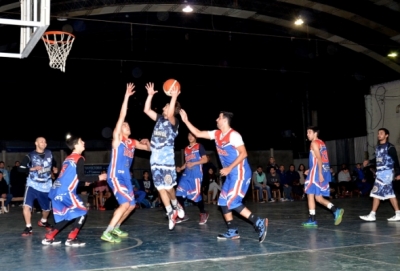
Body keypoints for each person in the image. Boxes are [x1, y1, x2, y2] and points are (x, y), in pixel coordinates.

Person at [179, 109, 268, 243]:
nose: (216, 120)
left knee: (233, 202)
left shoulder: (234, 135)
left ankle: (259, 221)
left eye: (218, 118)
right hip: (231, 174)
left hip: (240, 172)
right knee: (222, 201)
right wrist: (186, 120)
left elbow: (243, 154)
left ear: (225, 120)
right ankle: (232, 231)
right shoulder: (216, 134)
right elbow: (198, 133)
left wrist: (229, 168)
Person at [101, 83, 151, 243]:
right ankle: (107, 232)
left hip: (127, 178)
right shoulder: (117, 139)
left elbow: (149, 150)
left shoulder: (132, 142)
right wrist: (126, 97)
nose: (126, 125)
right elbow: (121, 116)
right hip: (115, 176)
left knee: (131, 205)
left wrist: (148, 143)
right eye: (124, 125)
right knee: (124, 205)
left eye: (128, 125)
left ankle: (116, 227)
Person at [42, 135, 107, 246]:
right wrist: (98, 178)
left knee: (69, 215)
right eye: (82, 141)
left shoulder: (68, 158)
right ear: (76, 145)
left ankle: (49, 236)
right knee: (82, 211)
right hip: (65, 191)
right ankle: (71, 239)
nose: (84, 142)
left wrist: (83, 183)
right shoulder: (79, 158)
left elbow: (71, 177)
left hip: (55, 190)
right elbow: (81, 176)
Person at [143, 82, 185, 230]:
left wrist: (173, 97)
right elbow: (147, 110)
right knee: (160, 188)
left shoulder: (174, 122)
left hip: (167, 162)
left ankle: (175, 204)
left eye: (166, 106)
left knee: (169, 188)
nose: (163, 108)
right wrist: (149, 96)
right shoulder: (160, 119)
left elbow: (172, 112)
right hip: (155, 161)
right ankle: (170, 213)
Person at [302, 126, 344, 227]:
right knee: (319, 198)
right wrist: (311, 169)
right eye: (307, 132)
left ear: (315, 133)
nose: (307, 134)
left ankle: (312, 219)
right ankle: (335, 210)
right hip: (324, 170)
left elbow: (319, 159)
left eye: (309, 132)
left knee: (309, 193)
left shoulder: (313, 143)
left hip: (318, 172)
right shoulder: (322, 143)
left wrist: (318, 173)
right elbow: (319, 159)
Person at [18, 137, 58, 236]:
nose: (44, 143)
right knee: (26, 206)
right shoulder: (30, 156)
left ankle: (43, 221)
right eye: (41, 141)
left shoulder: (50, 153)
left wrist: (54, 170)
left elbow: (54, 164)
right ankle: (28, 227)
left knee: (47, 209)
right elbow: (21, 169)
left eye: (45, 141)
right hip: (32, 183)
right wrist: (32, 168)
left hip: (46, 185)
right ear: (36, 143)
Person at [360, 128, 400, 221]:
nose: (379, 135)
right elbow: (377, 160)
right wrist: (369, 161)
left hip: (386, 173)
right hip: (380, 173)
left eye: (381, 133)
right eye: (378, 133)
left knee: (375, 193)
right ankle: (398, 213)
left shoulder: (390, 147)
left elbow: (396, 161)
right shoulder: (378, 147)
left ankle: (372, 215)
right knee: (390, 194)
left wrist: (398, 173)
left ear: (386, 135)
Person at [176, 132, 209, 224]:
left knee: (196, 196)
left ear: (196, 137)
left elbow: (205, 159)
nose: (190, 137)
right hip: (186, 174)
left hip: (196, 174)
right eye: (189, 135)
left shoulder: (199, 146)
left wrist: (194, 163)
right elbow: (187, 163)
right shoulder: (186, 149)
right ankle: (183, 215)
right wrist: (180, 168)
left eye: (192, 135)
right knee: (179, 193)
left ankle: (203, 213)